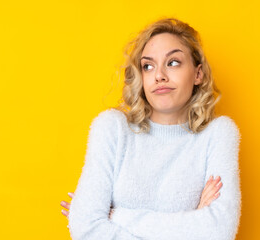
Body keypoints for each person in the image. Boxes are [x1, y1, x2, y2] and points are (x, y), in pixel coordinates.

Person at [60, 17, 242, 239]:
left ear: (198, 74)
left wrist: (116, 216)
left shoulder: (218, 135)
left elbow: (218, 232)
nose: (159, 76)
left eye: (173, 62)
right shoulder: (112, 128)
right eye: (148, 66)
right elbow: (86, 228)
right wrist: (193, 220)